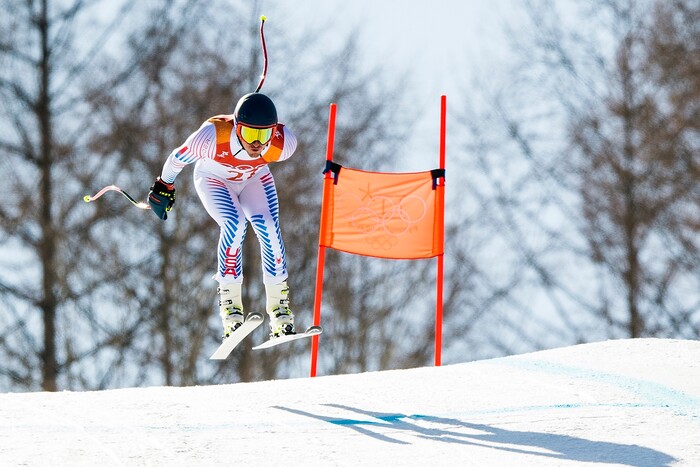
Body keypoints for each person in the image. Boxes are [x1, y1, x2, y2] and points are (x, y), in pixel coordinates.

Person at [147, 92, 297, 340]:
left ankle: (280, 312)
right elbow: (177, 158)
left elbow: (267, 146)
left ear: (274, 131)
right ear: (238, 128)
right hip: (214, 180)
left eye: (264, 135)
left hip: (253, 179)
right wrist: (164, 186)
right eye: (250, 134)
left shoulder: (284, 144)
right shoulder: (212, 137)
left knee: (269, 228)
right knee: (234, 224)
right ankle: (231, 312)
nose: (257, 143)